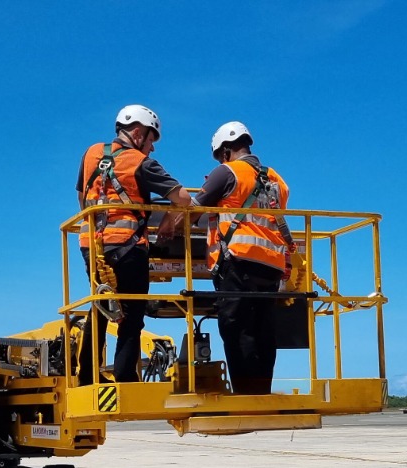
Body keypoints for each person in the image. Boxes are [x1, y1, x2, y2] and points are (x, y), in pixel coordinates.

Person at [74, 104, 194, 384]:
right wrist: (169, 222)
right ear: (138, 133)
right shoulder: (141, 163)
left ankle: (87, 376)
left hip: (90, 244)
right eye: (151, 140)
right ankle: (125, 376)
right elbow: (184, 199)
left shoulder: (91, 153)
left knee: (101, 304)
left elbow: (82, 198)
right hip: (127, 247)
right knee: (131, 313)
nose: (152, 148)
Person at [193, 121, 292, 395]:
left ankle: (246, 395)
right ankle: (262, 392)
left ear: (225, 150)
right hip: (271, 264)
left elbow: (193, 210)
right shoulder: (277, 179)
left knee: (237, 327)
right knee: (264, 330)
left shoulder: (226, 172)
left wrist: (166, 227)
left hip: (238, 259)